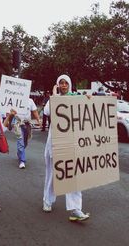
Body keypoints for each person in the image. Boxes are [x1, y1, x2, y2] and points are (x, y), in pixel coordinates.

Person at [42, 74, 90, 222]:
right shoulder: (53, 99)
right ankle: (47, 200)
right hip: (55, 142)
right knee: (53, 173)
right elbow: (47, 112)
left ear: (69, 85)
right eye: (61, 83)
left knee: (73, 173)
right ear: (57, 85)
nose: (63, 86)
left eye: (66, 83)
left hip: (70, 141)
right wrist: (54, 96)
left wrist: (89, 99)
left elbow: (87, 110)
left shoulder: (75, 98)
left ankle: (75, 209)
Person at [9, 97, 41, 169]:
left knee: (25, 142)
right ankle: (22, 161)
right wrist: (9, 123)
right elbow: (10, 113)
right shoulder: (15, 100)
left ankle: (19, 152)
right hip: (17, 124)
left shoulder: (30, 101)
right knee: (20, 141)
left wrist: (38, 120)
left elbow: (35, 111)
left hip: (27, 124)